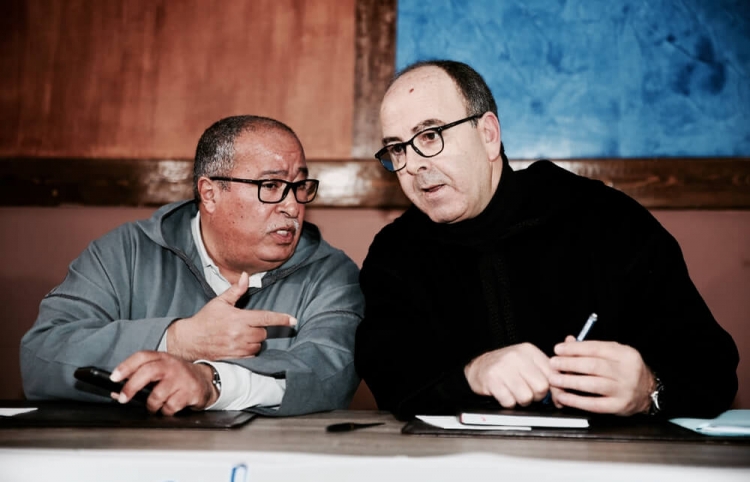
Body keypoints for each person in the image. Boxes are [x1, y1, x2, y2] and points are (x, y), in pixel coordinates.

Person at [354, 60, 739, 420]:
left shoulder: (604, 219)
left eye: (430, 135)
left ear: (488, 135)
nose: (414, 164)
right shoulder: (395, 253)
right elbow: (391, 382)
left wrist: (650, 390)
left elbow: (713, 372)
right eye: (397, 148)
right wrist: (471, 375)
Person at [21, 115, 364, 416]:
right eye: (271, 185)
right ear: (210, 193)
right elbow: (40, 357)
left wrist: (212, 382)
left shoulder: (331, 275)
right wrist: (176, 340)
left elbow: (330, 373)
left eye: (299, 186)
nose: (292, 206)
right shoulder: (127, 252)